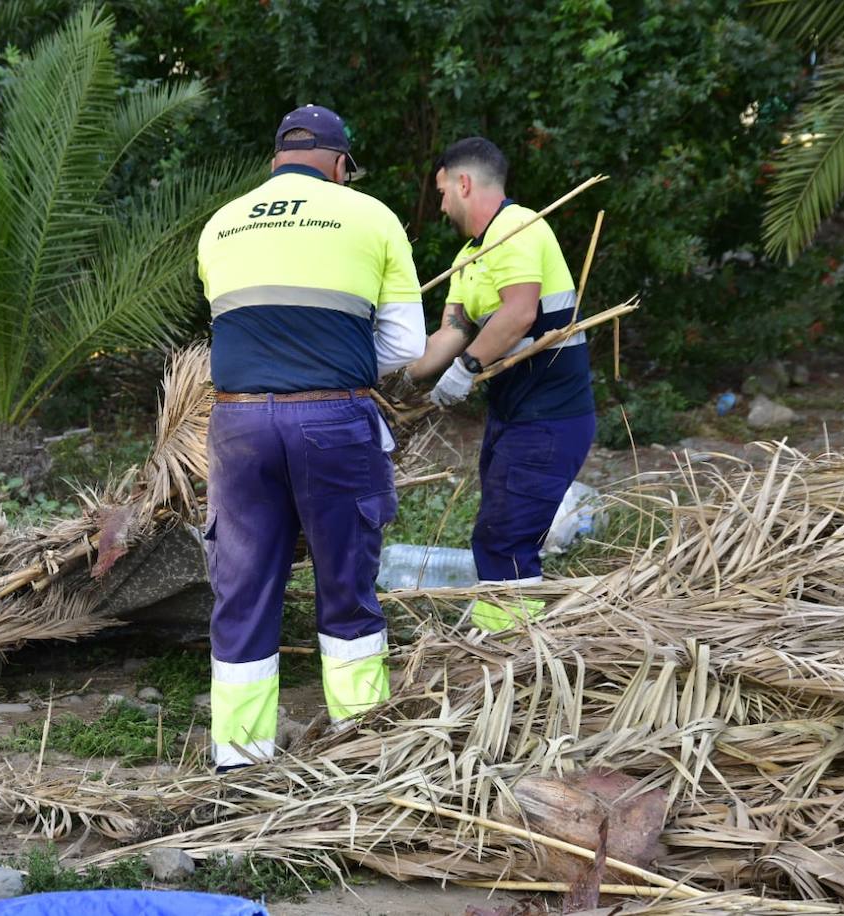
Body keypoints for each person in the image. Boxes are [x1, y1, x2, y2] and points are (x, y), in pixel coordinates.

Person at [196, 104, 428, 771]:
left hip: (238, 425)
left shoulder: (222, 224)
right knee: (346, 586)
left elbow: (236, 322)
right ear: (337, 163)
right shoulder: (372, 217)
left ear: (277, 161)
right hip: (333, 420)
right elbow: (406, 345)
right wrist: (338, 356)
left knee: (242, 590)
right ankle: (361, 754)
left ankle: (239, 759)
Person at [395, 137, 595, 630]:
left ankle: (512, 647)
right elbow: (451, 332)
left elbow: (519, 311)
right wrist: (395, 380)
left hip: (550, 418)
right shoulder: (471, 254)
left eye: (442, 192)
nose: (440, 205)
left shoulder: (517, 228)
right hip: (514, 416)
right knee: (497, 532)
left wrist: (464, 369)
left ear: (464, 183)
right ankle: (502, 634)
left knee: (506, 538)